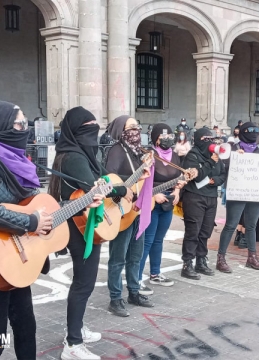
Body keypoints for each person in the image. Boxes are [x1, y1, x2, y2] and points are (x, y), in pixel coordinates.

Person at [0, 101, 103, 360]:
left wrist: (81, 202)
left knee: (26, 327)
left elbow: (37, 208)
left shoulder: (14, 161)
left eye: (26, 123)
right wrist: (31, 223)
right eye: (19, 123)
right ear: (0, 127)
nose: (25, 129)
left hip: (16, 260)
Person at [48, 107, 121, 360]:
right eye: (88, 125)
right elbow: (96, 188)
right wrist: (118, 190)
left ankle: (76, 328)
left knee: (82, 281)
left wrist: (117, 184)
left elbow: (104, 176)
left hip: (81, 223)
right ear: (77, 131)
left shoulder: (77, 152)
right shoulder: (75, 157)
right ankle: (73, 344)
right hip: (80, 228)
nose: (94, 129)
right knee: (83, 283)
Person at [105, 115, 153, 317]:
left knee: (135, 255)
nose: (136, 131)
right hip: (122, 210)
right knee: (118, 258)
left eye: (137, 126)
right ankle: (115, 298)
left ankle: (134, 291)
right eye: (131, 127)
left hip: (136, 210)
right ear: (121, 131)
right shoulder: (116, 150)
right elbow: (109, 177)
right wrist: (134, 177)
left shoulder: (137, 152)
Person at [139, 124, 187, 295]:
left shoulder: (173, 156)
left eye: (169, 136)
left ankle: (155, 273)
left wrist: (177, 190)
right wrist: (153, 196)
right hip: (152, 202)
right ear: (155, 138)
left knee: (159, 240)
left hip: (168, 201)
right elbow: (142, 181)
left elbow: (178, 177)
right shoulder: (149, 156)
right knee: (147, 241)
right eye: (162, 136)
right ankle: (136, 278)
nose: (167, 140)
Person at [216, 122, 259, 273]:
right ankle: (221, 258)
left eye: (256, 132)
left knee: (251, 225)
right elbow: (223, 165)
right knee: (231, 224)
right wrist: (234, 158)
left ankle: (252, 256)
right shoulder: (232, 148)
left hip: (255, 192)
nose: (253, 135)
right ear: (242, 132)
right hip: (237, 191)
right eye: (250, 131)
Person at [181, 128, 226, 279]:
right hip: (194, 197)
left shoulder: (216, 156)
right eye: (206, 139)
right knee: (193, 231)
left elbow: (222, 175)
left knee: (205, 232)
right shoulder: (192, 155)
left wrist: (215, 181)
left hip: (211, 196)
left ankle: (201, 261)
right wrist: (210, 162)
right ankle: (187, 263)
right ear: (199, 140)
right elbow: (198, 176)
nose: (210, 142)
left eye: (212, 139)